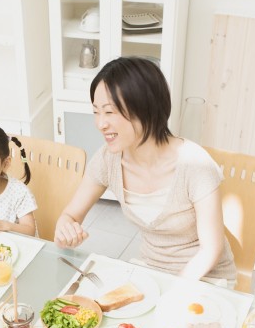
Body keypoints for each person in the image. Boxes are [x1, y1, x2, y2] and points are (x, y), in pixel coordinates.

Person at [54, 56, 237, 286]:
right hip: (152, 272)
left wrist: (174, 291)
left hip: (206, 278)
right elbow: (70, 215)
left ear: (145, 109)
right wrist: (65, 226)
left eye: (109, 112)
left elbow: (211, 250)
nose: (101, 124)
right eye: (96, 112)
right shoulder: (107, 159)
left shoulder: (195, 165)